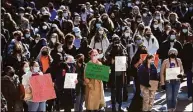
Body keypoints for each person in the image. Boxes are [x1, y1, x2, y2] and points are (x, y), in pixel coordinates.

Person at [104, 35, 127, 112]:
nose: (116, 41)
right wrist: (111, 59)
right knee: (113, 90)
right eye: (115, 40)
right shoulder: (110, 46)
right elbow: (106, 54)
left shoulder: (121, 46)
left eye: (117, 39)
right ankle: (113, 107)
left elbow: (125, 54)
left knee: (120, 90)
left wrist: (122, 59)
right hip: (112, 70)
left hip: (120, 70)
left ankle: (119, 106)